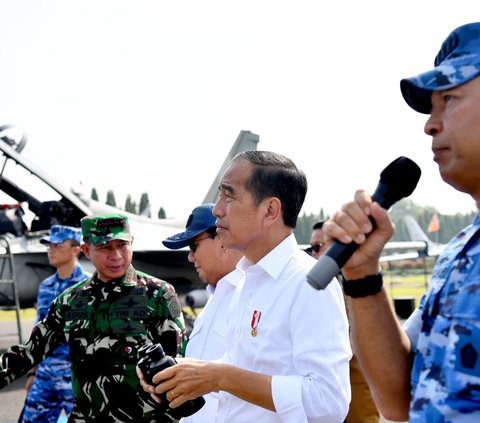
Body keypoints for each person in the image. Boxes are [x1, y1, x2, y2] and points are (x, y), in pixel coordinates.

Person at [322, 22, 480, 422]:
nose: (429, 123)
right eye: (432, 107)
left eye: (450, 98)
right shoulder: (459, 252)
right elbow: (398, 403)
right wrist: (362, 276)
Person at [139, 151, 352, 422]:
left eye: (230, 195)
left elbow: (328, 402)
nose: (217, 208)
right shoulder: (246, 282)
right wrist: (186, 372)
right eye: (220, 195)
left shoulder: (308, 283)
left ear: (270, 211)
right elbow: (242, 371)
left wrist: (220, 377)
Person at [0, 213, 187, 422]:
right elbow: (29, 351)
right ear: (86, 250)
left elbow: (178, 365)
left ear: (132, 243)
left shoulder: (158, 294)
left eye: (122, 245)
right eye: (105, 247)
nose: (116, 255)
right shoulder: (70, 301)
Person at [162, 202, 243, 423]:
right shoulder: (213, 301)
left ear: (222, 240)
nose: (190, 257)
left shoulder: (250, 299)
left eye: (193, 246)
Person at [309, 220, 380, 423]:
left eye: (317, 247)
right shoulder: (318, 290)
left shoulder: (354, 289)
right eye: (310, 249)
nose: (313, 255)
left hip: (356, 398)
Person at [19, 225, 90, 423]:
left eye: (57, 245)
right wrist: (32, 373)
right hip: (46, 377)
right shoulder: (46, 286)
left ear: (76, 249)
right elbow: (38, 332)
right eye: (49, 245)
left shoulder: (89, 287)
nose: (51, 249)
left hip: (77, 380)